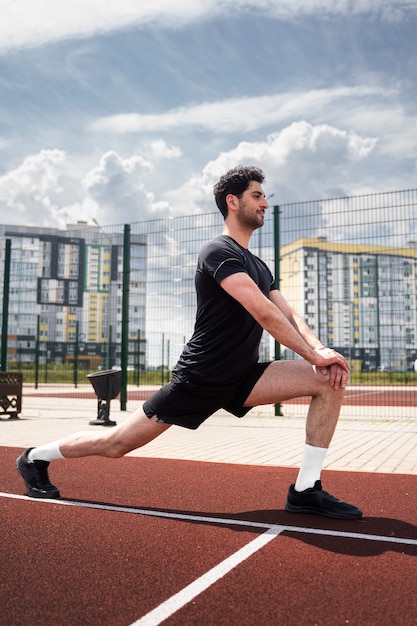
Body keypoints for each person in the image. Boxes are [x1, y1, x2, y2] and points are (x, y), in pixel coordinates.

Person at [16, 165, 362, 520]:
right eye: (257, 196)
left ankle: (305, 490)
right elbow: (265, 315)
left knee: (329, 377)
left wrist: (320, 352)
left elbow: (289, 316)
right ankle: (34, 457)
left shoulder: (261, 266)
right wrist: (312, 355)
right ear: (233, 201)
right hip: (201, 376)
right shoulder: (217, 251)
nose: (264, 204)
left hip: (243, 376)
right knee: (116, 443)